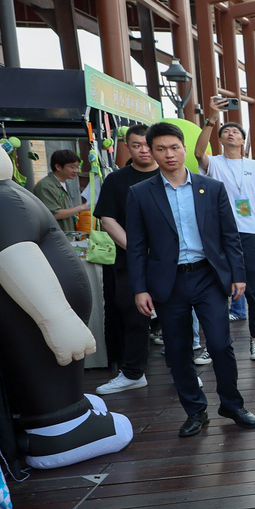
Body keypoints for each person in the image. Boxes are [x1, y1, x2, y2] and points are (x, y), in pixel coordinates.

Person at [126, 122, 255, 436]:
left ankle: (232, 404)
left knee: (220, 343)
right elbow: (136, 246)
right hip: (168, 282)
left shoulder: (210, 187)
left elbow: (229, 234)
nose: (169, 154)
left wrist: (238, 274)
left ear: (184, 149)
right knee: (177, 349)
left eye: (174, 147)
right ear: (152, 152)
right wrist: (140, 288)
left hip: (207, 276)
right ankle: (195, 410)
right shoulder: (140, 193)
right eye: (161, 149)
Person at [194, 98, 255, 361]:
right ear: (220, 139)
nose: (230, 133)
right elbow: (198, 152)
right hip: (220, 234)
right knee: (217, 288)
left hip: (251, 234)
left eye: (235, 132)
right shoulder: (214, 163)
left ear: (243, 140)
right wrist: (211, 118)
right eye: (226, 132)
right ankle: (214, 343)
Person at [93, 123, 157, 394]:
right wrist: (137, 249)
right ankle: (132, 373)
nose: (143, 150)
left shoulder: (171, 176)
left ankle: (184, 371)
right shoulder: (116, 180)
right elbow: (107, 219)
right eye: (136, 145)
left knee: (176, 316)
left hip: (171, 261)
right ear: (127, 147)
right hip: (130, 261)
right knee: (132, 316)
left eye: (147, 144)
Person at [32, 149, 88, 234]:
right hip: (54, 237)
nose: (76, 171)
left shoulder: (65, 183)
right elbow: (54, 214)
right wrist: (82, 207)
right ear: (58, 167)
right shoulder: (45, 186)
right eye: (72, 167)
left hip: (67, 234)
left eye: (77, 167)